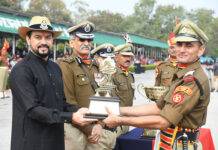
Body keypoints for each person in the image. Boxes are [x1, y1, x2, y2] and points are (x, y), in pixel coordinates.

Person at [103, 20, 210, 150]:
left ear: (201, 50)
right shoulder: (182, 73)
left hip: (181, 145)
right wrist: (117, 109)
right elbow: (158, 107)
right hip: (169, 143)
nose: (181, 50)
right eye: (179, 44)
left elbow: (163, 121)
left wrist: (119, 120)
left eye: (189, 46)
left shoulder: (192, 79)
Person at [9, 16, 96, 150]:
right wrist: (71, 117)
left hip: (55, 140)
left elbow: (60, 102)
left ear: (52, 40)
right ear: (28, 39)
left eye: (48, 37)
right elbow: (33, 110)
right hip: (31, 142)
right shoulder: (21, 70)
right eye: (38, 37)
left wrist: (79, 110)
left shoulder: (55, 67)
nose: (43, 42)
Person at [58, 21, 102, 150]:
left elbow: (101, 96)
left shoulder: (95, 66)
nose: (86, 43)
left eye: (89, 40)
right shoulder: (66, 65)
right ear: (71, 43)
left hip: (96, 127)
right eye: (82, 39)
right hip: (76, 128)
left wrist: (99, 124)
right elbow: (69, 102)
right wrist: (90, 129)